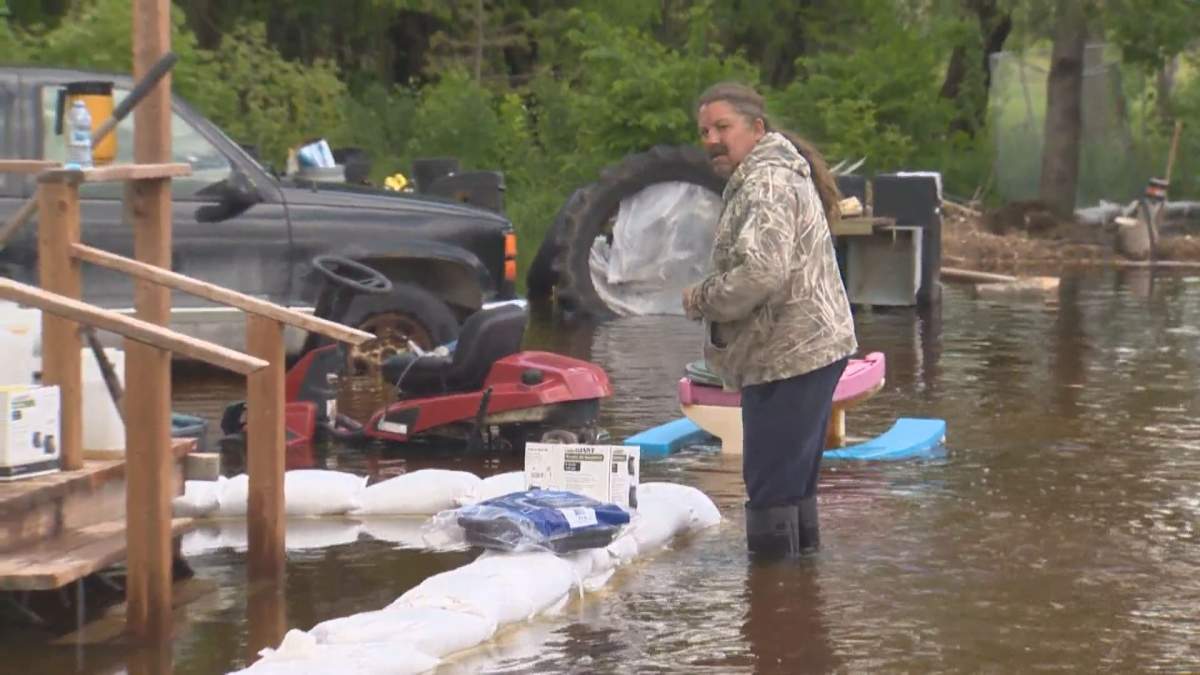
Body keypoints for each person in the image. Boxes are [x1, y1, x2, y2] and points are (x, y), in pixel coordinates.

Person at [682, 82, 857, 558]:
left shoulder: (765, 183)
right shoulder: (769, 174)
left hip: (792, 355)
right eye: (704, 131)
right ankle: (798, 605)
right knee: (792, 487)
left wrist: (700, 298)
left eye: (723, 127)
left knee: (770, 491)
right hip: (807, 350)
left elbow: (761, 272)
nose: (712, 139)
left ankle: (772, 611)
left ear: (757, 129)